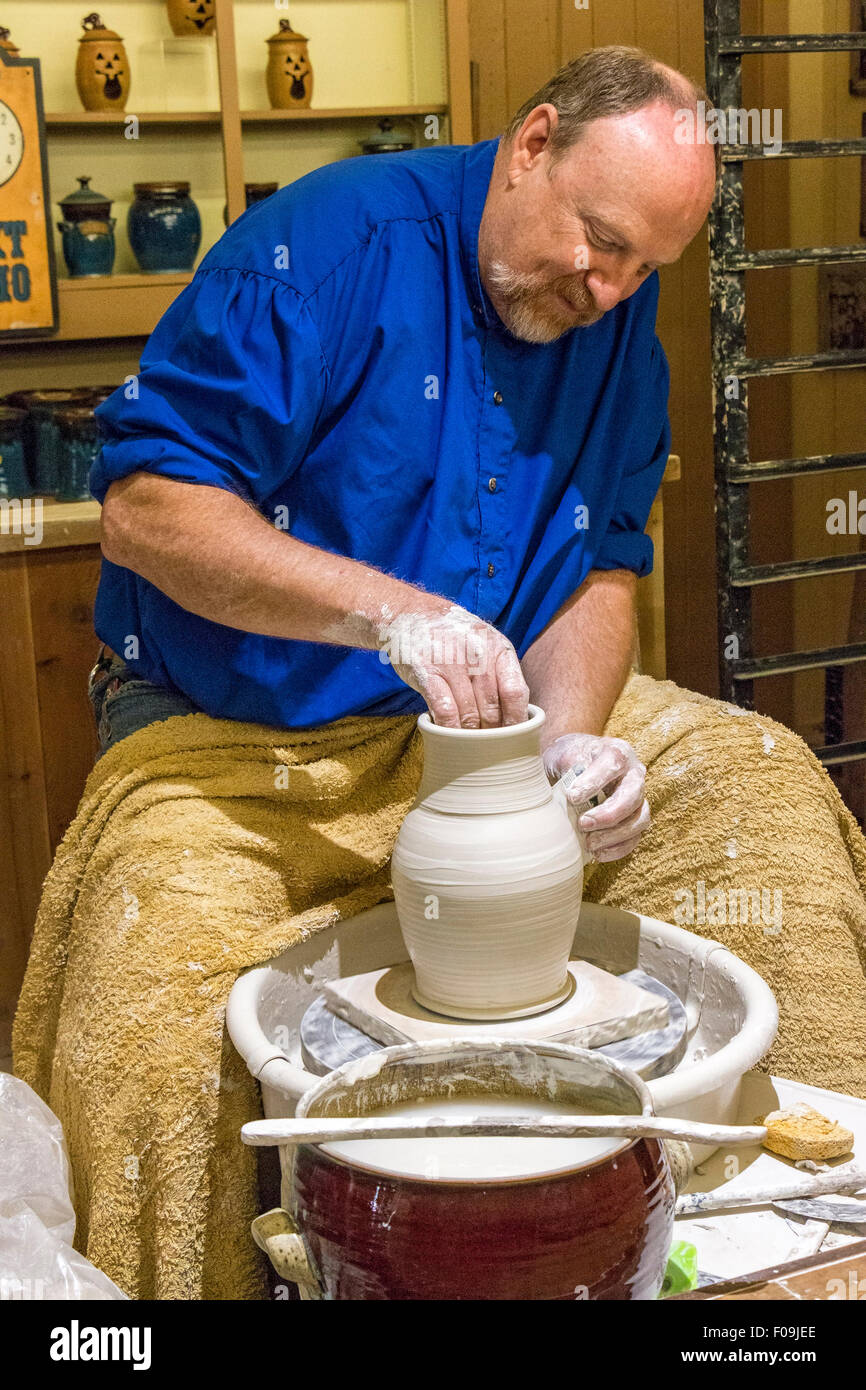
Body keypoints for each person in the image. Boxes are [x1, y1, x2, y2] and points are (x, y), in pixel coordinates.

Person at [16, 47, 866, 1301]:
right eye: (596, 238)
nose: (608, 284)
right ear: (531, 144)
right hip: (244, 736)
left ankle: (780, 1262)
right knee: (152, 990)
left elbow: (598, 567)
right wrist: (390, 616)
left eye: (644, 265)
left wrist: (570, 745)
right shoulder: (316, 251)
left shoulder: (615, 321)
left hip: (491, 731)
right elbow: (147, 510)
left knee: (765, 807)